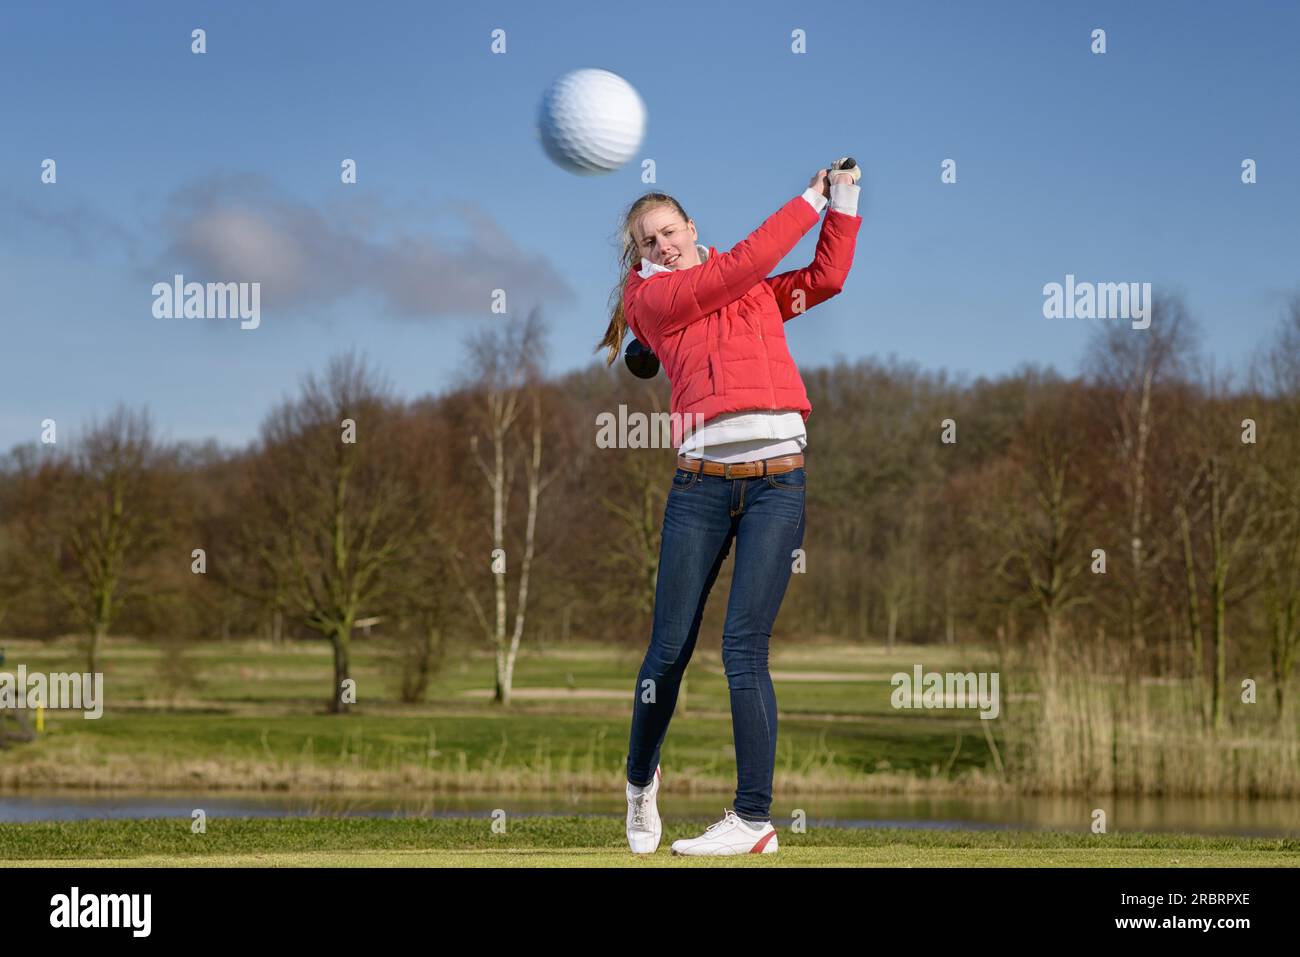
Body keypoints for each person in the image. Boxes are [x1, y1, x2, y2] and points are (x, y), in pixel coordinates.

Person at [595, 162, 863, 854]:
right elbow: (733, 270)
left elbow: (824, 278)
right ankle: (639, 781)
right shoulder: (649, 301)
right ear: (639, 255)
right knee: (668, 651)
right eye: (646, 240)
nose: (660, 244)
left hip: (779, 482)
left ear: (691, 227)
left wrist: (845, 201)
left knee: (745, 647)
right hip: (702, 488)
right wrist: (810, 196)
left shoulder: (752, 292)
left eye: (668, 230)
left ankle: (752, 819)